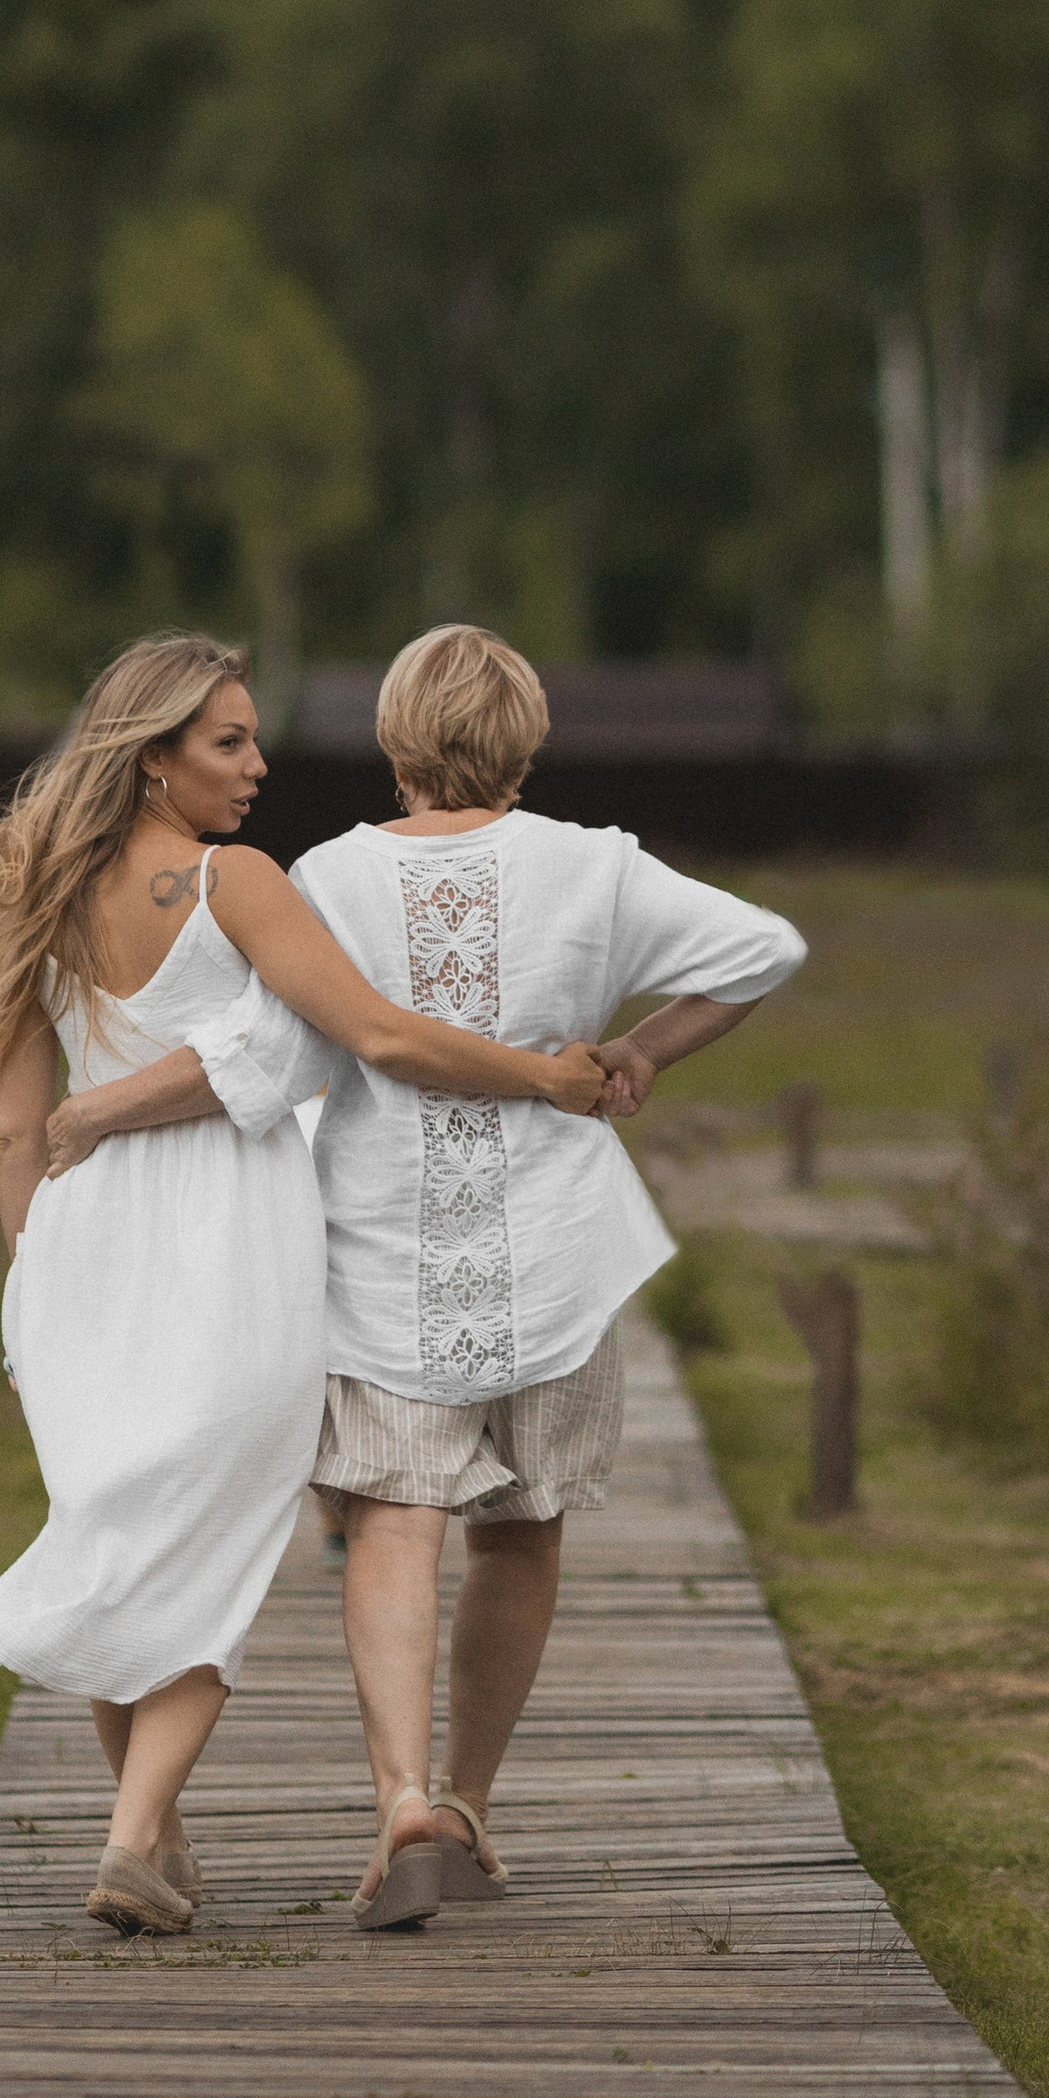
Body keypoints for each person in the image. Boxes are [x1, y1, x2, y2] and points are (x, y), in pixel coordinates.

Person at [0, 633, 608, 1939]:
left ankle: (156, 1832)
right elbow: (376, 1033)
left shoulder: (37, 893)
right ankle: (129, 1836)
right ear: (154, 759)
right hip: (226, 1257)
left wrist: (31, 1291)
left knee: (128, 1537)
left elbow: (13, 1131)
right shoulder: (238, 884)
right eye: (228, 741)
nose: (259, 765)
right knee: (208, 1554)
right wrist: (544, 1078)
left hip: (79, 1251)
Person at [288, 624, 807, 1930]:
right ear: (528, 739)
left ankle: (400, 1794)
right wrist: (642, 1049)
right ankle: (464, 1801)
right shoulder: (598, 869)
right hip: (556, 1264)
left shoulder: (326, 878)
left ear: (395, 737)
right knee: (519, 1533)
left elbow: (285, 1058)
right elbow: (765, 950)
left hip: (381, 1256)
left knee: (392, 1521)